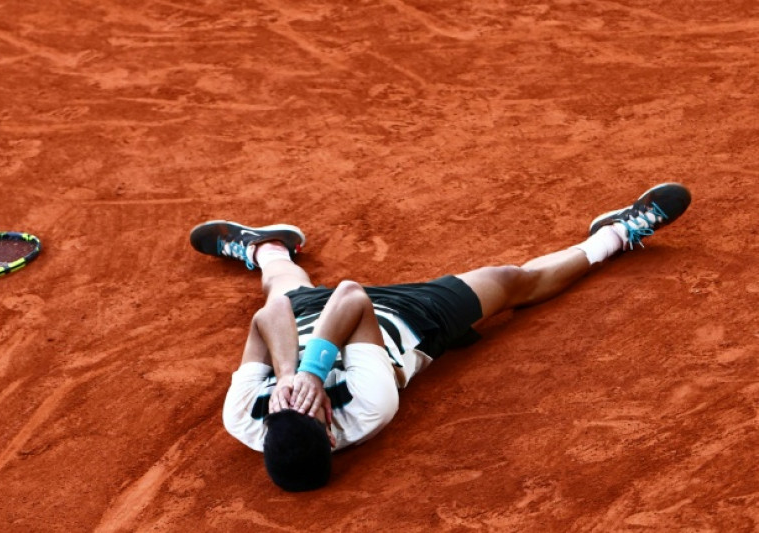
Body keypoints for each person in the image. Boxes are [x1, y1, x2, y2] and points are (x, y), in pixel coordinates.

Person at [189, 183, 691, 492]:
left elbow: (272, 314)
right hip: (400, 320)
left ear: (268, 422)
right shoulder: (367, 410)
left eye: (287, 406)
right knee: (511, 281)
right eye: (310, 410)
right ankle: (617, 234)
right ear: (328, 431)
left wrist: (288, 376)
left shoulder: (244, 418)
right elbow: (352, 297)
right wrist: (314, 375)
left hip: (303, 327)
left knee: (283, 285)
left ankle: (268, 247)